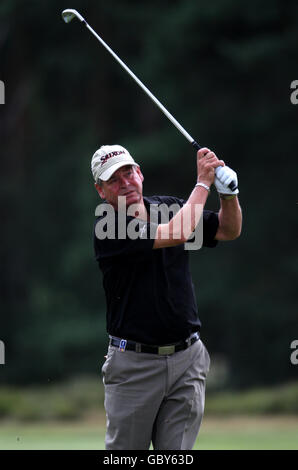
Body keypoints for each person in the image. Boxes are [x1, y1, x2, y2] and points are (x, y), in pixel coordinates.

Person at [91, 144, 242, 450]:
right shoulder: (109, 227)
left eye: (128, 173)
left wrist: (228, 194)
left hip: (188, 360)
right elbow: (178, 232)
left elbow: (228, 230)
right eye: (114, 180)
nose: (125, 183)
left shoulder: (170, 207)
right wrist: (203, 184)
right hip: (134, 366)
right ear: (101, 192)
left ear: (140, 174)